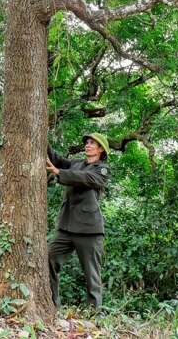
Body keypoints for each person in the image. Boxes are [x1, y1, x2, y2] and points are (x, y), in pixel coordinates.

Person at [45, 132, 111, 309]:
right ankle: (52, 306)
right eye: (87, 142)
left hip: (89, 230)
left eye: (92, 143)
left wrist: (59, 172)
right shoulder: (76, 164)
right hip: (66, 228)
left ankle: (93, 314)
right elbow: (57, 159)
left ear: (101, 149)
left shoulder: (102, 170)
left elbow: (86, 179)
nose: (87, 145)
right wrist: (42, 136)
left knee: (92, 275)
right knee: (47, 259)